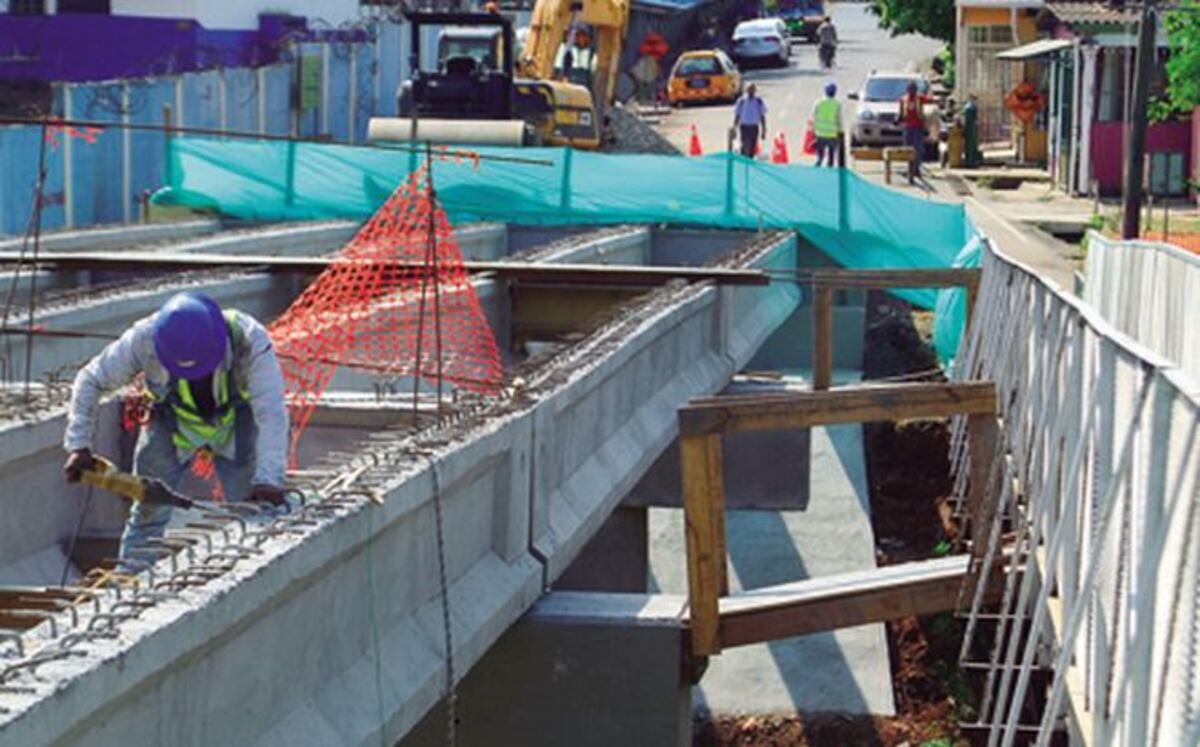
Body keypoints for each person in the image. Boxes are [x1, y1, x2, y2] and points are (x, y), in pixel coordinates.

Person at [62, 291, 289, 564]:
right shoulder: (144, 339)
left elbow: (271, 413)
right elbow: (91, 379)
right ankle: (132, 577)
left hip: (234, 425)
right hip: (173, 423)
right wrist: (78, 445)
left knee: (254, 513)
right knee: (148, 511)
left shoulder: (248, 340)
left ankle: (254, 572)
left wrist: (269, 478)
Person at [899, 81, 930, 183]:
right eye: (911, 89)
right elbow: (901, 114)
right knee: (908, 149)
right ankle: (910, 168)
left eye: (914, 89)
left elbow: (930, 100)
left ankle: (916, 169)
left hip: (918, 128)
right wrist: (897, 119)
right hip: (908, 128)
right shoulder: (903, 99)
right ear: (907, 90)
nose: (912, 91)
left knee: (918, 149)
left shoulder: (920, 98)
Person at [811, 80, 843, 168]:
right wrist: (840, 131)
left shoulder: (818, 103)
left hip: (820, 133)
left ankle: (817, 168)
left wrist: (812, 131)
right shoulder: (837, 104)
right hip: (832, 134)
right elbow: (839, 119)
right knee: (831, 156)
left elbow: (814, 117)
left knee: (820, 156)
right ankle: (829, 171)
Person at [733, 83, 767, 158]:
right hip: (744, 127)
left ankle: (749, 162)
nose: (750, 92)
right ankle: (744, 161)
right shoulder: (741, 101)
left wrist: (764, 129)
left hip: (754, 127)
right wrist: (734, 128)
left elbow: (762, 116)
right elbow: (737, 115)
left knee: (752, 147)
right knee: (745, 146)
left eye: (752, 90)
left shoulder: (758, 101)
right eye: (749, 90)